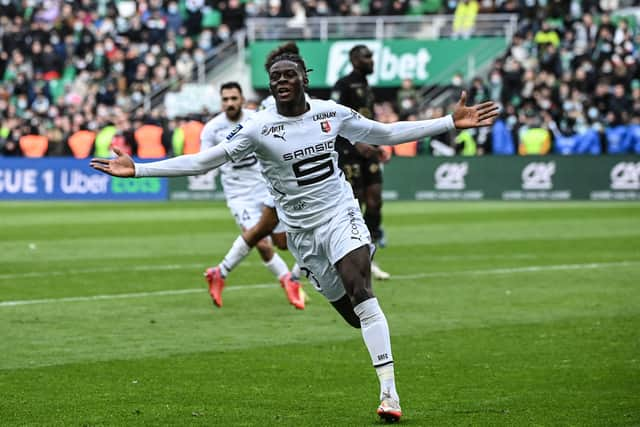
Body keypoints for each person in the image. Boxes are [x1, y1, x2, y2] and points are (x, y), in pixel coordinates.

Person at [90, 43, 499, 422]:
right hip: (301, 234)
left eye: (289, 75)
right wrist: (140, 168)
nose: (282, 81)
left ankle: (389, 394)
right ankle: (358, 323)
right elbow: (204, 161)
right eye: (275, 77)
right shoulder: (257, 128)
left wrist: (449, 121)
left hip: (340, 214)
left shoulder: (331, 113)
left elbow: (385, 133)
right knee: (354, 316)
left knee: (361, 288)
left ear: (304, 77)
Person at [200, 81, 304, 309]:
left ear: (242, 99)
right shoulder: (212, 128)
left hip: (265, 188)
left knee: (283, 243)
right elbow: (203, 160)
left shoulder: (255, 119)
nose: (229, 103)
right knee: (262, 243)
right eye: (225, 99)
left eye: (233, 99)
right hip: (239, 195)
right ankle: (287, 280)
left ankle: (288, 280)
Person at [331, 44, 390, 280]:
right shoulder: (342, 86)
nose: (372, 61)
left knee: (375, 200)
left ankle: (370, 253)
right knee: (353, 205)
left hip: (368, 153)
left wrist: (378, 145)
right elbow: (334, 121)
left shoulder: (366, 86)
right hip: (348, 153)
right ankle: (348, 256)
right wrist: (356, 144)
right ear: (355, 59)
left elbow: (369, 122)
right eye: (367, 57)